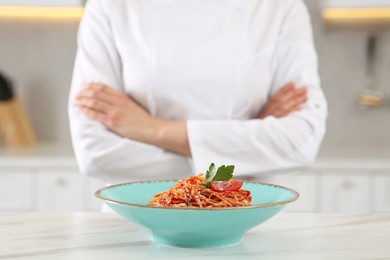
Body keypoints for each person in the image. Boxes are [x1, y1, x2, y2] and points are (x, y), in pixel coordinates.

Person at [69, 0, 327, 184]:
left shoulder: (280, 7)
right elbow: (95, 153)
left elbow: (300, 142)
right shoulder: (110, 6)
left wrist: (151, 129)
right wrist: (246, 153)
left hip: (244, 219)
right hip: (138, 221)